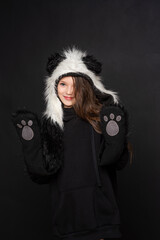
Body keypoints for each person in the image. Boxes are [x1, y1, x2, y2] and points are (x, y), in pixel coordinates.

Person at [12, 46, 131, 240]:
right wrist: (32, 144)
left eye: (76, 84)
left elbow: (117, 161)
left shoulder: (99, 119)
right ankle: (31, 141)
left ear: (86, 86)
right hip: (66, 216)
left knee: (112, 142)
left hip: (100, 214)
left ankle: (115, 137)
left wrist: (115, 136)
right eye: (63, 84)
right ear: (54, 87)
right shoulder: (52, 127)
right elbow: (43, 171)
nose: (69, 91)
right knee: (39, 160)